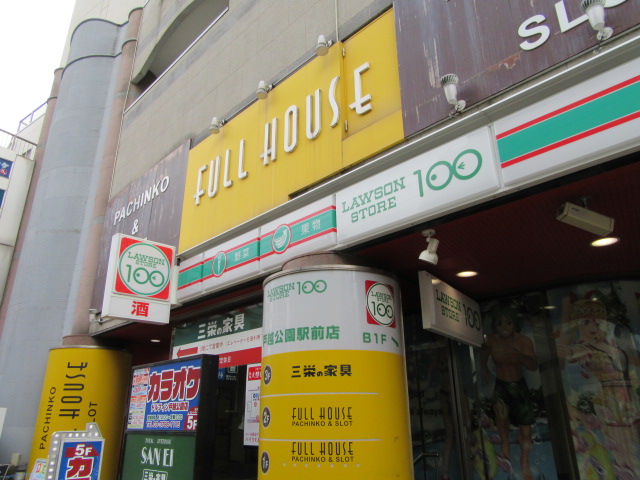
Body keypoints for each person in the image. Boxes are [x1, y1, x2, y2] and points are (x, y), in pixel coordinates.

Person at [481, 305, 537, 480]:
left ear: (514, 324)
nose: (504, 327)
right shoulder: (491, 340)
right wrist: (483, 369)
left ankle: (524, 462)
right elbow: (483, 355)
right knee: (500, 414)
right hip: (501, 385)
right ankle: (504, 448)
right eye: (499, 323)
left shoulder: (523, 341)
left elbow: (533, 366)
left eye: (508, 322)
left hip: (519, 386)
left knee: (526, 429)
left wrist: (519, 355)